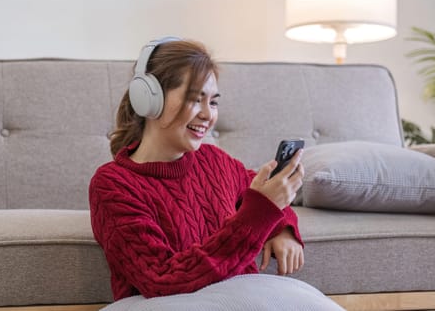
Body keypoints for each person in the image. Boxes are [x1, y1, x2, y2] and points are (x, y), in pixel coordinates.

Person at [89, 37, 305, 301]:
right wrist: (262, 213)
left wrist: (281, 226)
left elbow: (265, 195)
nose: (208, 115)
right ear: (149, 100)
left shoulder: (215, 161)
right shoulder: (113, 185)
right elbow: (161, 279)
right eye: (195, 99)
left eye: (213, 102)